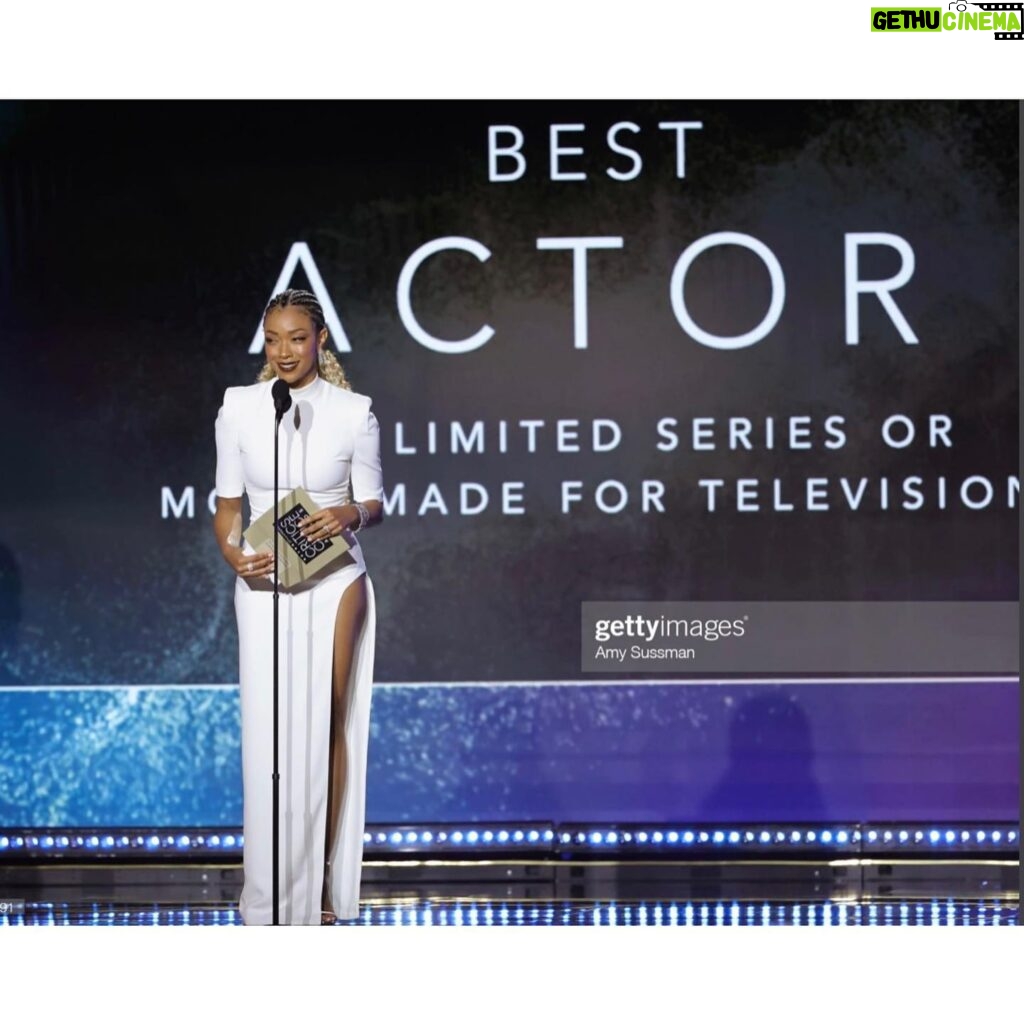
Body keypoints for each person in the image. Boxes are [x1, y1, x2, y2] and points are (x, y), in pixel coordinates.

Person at [212, 288, 384, 926]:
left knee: (325, 723)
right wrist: (235, 556)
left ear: (320, 341)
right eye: (273, 338)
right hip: (261, 582)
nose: (284, 350)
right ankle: (270, 891)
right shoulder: (239, 409)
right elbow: (228, 510)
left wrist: (349, 513)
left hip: (335, 579)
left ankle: (320, 887)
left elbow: (375, 503)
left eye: (297, 337)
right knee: (268, 733)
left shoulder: (354, 412)